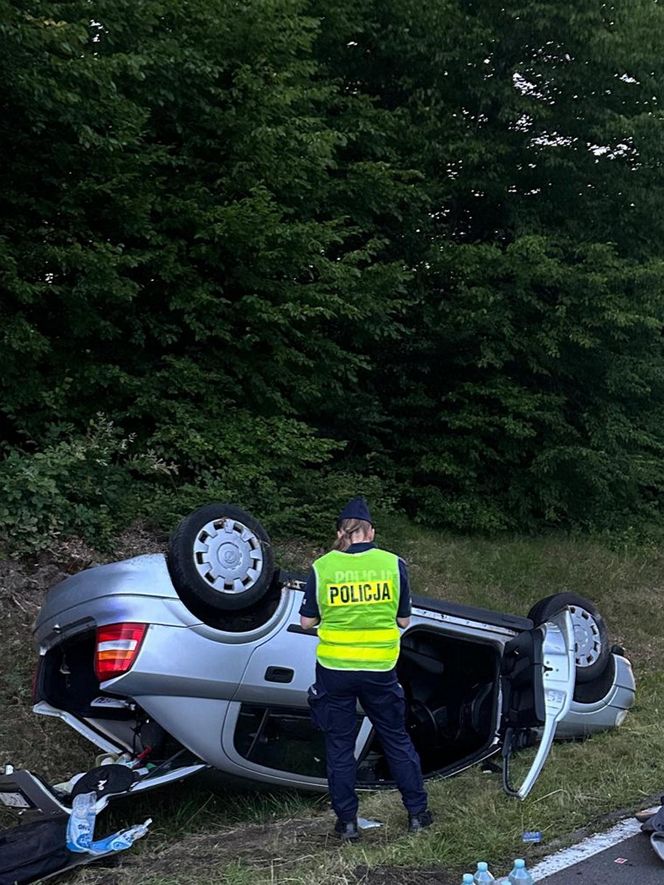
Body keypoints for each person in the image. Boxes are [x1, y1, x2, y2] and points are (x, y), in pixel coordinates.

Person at [299, 496, 432, 841]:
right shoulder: (392, 564)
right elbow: (404, 619)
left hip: (335, 669)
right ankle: (418, 814)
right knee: (395, 738)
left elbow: (305, 621)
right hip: (380, 669)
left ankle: (347, 823)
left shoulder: (322, 567)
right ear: (371, 531)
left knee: (340, 747)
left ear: (341, 532)